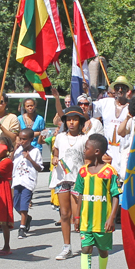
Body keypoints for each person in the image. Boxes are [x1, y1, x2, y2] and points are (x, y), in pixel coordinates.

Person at [71, 135, 121, 269]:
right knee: (86, 249)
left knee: (103, 250)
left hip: (102, 222)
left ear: (97, 152)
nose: (84, 150)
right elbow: (79, 195)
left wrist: (111, 217)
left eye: (87, 148)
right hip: (86, 220)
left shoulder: (109, 172)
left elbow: (115, 196)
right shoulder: (83, 172)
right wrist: (77, 217)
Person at [49, 106, 88, 260]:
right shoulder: (60, 137)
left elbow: (88, 157)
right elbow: (56, 151)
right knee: (64, 214)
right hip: (62, 178)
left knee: (77, 215)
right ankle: (67, 247)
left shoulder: (85, 139)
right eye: (69, 119)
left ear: (80, 121)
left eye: (75, 119)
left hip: (78, 179)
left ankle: (86, 244)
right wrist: (54, 157)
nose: (72, 123)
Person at [92, 76, 131, 175]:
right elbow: (89, 108)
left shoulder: (131, 108)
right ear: (114, 89)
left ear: (127, 90)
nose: (120, 90)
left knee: (122, 181)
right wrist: (86, 90)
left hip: (124, 152)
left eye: (123, 87)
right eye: (118, 87)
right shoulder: (106, 103)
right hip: (107, 153)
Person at [12, 128, 43, 238]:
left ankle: (22, 228)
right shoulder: (18, 150)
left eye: (24, 139)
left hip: (28, 182)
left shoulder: (35, 152)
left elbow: (39, 168)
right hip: (16, 180)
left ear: (31, 139)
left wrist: (30, 159)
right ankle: (27, 218)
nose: (22, 141)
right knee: (16, 204)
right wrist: (13, 150)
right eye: (20, 139)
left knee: (24, 205)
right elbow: (10, 162)